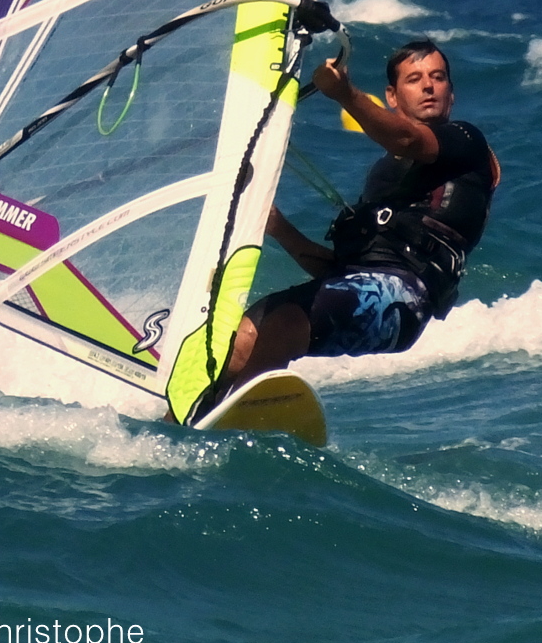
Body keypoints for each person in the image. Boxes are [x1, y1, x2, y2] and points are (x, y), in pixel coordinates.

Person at [204, 39, 499, 411]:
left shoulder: (467, 142)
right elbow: (338, 272)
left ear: (451, 95)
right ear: (392, 96)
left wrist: (344, 93)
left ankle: (240, 419)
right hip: (362, 287)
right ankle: (181, 423)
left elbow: (407, 139)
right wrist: (278, 226)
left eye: (438, 78)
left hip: (408, 297)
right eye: (414, 79)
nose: (428, 86)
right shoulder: (383, 175)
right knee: (241, 339)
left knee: (283, 324)